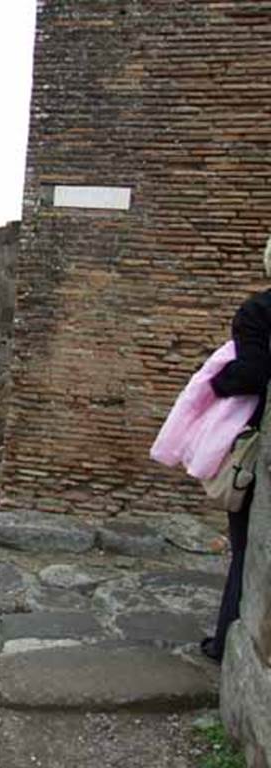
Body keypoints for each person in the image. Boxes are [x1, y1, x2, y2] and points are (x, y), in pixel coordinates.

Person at [201, 237, 271, 662]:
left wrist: (216, 381)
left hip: (260, 445)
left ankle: (226, 642)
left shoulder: (259, 311)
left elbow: (252, 374)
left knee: (246, 547)